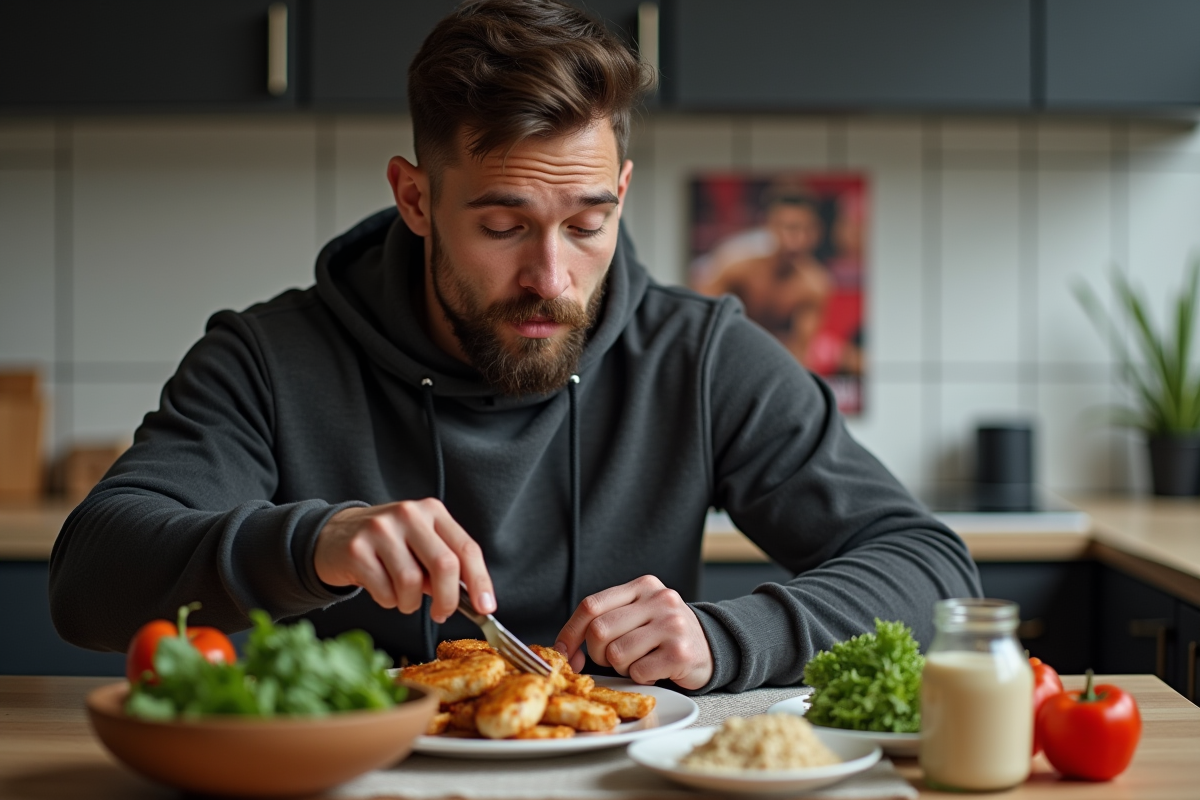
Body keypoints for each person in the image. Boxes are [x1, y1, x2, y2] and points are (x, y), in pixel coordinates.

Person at [49, 0, 980, 693]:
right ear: (416, 200)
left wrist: (726, 638)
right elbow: (89, 580)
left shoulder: (697, 358)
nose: (552, 277)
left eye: (586, 223)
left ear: (620, 189)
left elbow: (930, 569)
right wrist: (312, 543)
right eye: (503, 225)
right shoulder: (269, 359)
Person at [697, 191, 833, 369]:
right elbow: (702, 323)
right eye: (790, 228)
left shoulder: (814, 284)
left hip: (771, 362)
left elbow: (800, 352)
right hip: (724, 354)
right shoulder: (735, 265)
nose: (798, 240)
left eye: (806, 230)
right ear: (770, 227)